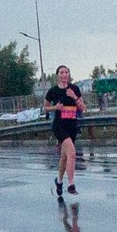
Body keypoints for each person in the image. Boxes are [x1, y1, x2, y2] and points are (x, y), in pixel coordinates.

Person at [44, 64, 84, 199]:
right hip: (59, 126)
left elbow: (83, 107)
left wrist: (74, 97)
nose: (64, 74)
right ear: (58, 75)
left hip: (72, 126)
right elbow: (45, 108)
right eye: (61, 72)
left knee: (65, 157)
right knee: (72, 152)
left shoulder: (75, 89)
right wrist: (55, 107)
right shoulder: (53, 91)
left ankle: (59, 181)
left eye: (66, 72)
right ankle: (71, 185)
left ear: (69, 75)